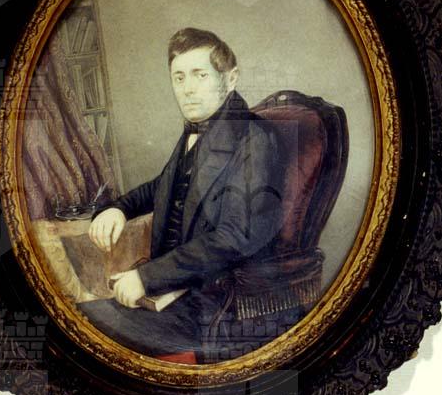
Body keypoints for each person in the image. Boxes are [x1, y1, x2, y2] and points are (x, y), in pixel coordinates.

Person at [80, 27, 301, 362]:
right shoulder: (197, 130)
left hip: (222, 307)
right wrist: (119, 209)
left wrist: (147, 278)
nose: (188, 89)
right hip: (175, 293)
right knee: (76, 318)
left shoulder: (255, 139)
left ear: (230, 79)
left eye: (200, 75)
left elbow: (232, 239)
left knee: (83, 332)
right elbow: (163, 186)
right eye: (179, 77)